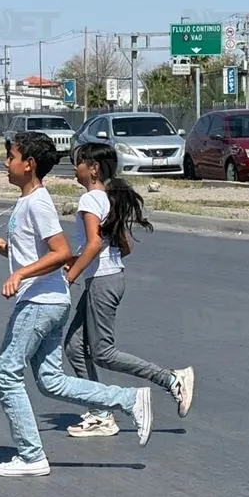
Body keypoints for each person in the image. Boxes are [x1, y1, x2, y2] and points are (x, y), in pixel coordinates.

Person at [0, 131, 153, 477]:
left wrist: (19, 275)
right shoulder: (27, 201)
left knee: (6, 372)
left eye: (11, 156)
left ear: (29, 165)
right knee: (50, 380)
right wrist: (10, 252)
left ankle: (32, 456)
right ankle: (128, 400)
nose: (6, 162)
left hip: (40, 302)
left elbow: (61, 252)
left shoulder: (39, 202)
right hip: (47, 299)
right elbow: (40, 252)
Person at [62, 143, 195, 438]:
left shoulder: (89, 201)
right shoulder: (108, 199)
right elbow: (123, 246)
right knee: (74, 347)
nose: (75, 168)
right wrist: (80, 261)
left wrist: (70, 275)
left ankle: (171, 379)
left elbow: (95, 244)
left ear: (93, 168)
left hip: (102, 283)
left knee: (103, 352)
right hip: (109, 279)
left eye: (79, 162)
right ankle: (99, 412)